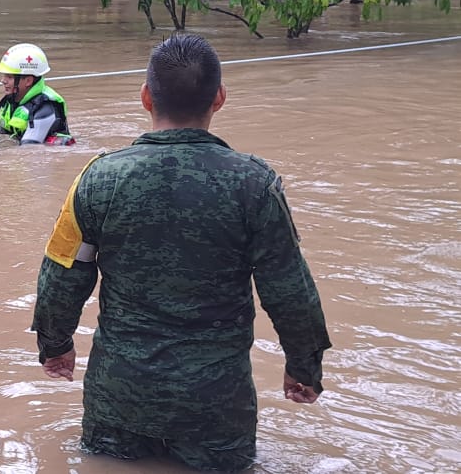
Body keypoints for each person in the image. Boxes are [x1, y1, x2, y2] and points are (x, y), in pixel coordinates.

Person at [31, 34, 332, 472]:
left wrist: (54, 345)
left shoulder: (98, 178)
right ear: (220, 98)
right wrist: (304, 366)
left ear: (146, 97)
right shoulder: (254, 184)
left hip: (119, 396)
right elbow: (288, 287)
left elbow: (62, 272)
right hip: (215, 406)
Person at [0, 43, 75, 145]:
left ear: (28, 81)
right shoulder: (12, 100)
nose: (3, 81)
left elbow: (28, 150)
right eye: (4, 76)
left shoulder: (45, 109)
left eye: (9, 77)